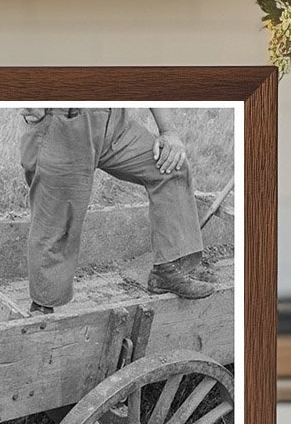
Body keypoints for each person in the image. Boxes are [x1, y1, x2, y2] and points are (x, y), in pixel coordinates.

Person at [20, 107, 213, 313]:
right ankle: (42, 311)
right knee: (58, 220)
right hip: (63, 121)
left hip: (113, 121)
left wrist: (169, 131)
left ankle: (167, 270)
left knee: (170, 165)